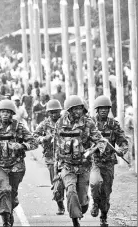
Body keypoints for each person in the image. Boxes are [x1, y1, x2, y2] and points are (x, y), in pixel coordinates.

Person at [0, 99, 37, 227]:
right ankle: (5, 218)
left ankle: (10, 209)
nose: (5, 114)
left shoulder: (19, 127)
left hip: (16, 166)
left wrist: (22, 145)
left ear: (12, 114)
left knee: (12, 193)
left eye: (8, 112)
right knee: (3, 190)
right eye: (3, 112)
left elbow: (34, 143)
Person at [54, 95, 108, 227]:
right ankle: (75, 219)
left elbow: (100, 141)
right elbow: (57, 145)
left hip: (84, 166)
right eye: (75, 109)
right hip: (66, 165)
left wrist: (92, 150)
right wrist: (57, 167)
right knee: (71, 191)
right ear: (69, 110)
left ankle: (83, 206)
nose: (78, 111)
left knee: (83, 199)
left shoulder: (88, 123)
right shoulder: (60, 123)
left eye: (80, 108)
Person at [89, 95, 129, 227]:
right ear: (97, 109)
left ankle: (104, 216)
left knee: (106, 191)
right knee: (95, 183)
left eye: (106, 108)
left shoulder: (113, 124)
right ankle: (95, 202)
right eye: (101, 108)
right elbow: (84, 140)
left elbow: (123, 141)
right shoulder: (91, 124)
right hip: (95, 161)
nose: (104, 110)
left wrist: (121, 150)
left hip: (109, 163)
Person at [33, 99, 65, 215]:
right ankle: (60, 205)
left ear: (60, 111)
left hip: (65, 157)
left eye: (56, 112)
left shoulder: (65, 122)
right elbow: (34, 136)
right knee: (56, 182)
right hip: (51, 158)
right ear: (48, 113)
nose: (54, 114)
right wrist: (43, 139)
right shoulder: (44, 124)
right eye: (51, 112)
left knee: (68, 181)